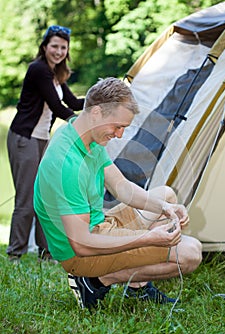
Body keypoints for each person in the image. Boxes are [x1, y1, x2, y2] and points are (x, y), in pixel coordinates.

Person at [34, 77, 202, 309]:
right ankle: (94, 280)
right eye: (117, 126)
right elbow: (81, 244)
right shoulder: (66, 165)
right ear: (96, 112)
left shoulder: (83, 134)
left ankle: (137, 286)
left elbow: (121, 186)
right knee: (191, 252)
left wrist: (165, 208)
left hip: (98, 226)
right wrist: (148, 238)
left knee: (166, 196)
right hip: (81, 253)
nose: (120, 134)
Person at [6, 25, 85, 263]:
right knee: (27, 199)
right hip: (25, 138)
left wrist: (99, 97)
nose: (59, 51)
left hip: (42, 139)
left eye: (63, 47)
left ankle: (46, 252)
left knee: (45, 195)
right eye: (55, 46)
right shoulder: (38, 69)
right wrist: (86, 125)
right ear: (44, 47)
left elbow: (72, 101)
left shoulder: (55, 74)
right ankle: (15, 255)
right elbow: (59, 108)